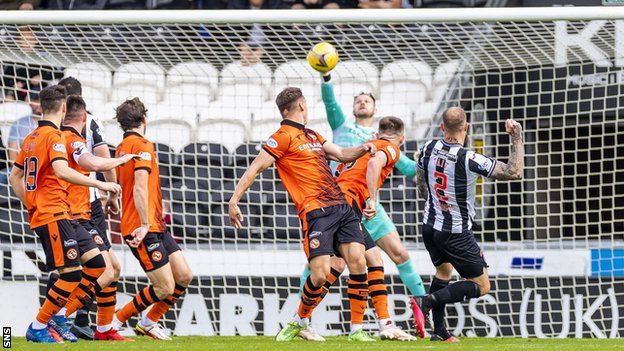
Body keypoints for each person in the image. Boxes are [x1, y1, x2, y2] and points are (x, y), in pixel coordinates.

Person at [228, 87, 376, 342]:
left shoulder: (313, 135)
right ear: (301, 106)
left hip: (341, 207)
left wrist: (365, 148)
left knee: (358, 261)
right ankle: (300, 320)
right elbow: (255, 168)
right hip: (315, 212)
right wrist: (234, 199)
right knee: (319, 274)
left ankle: (357, 331)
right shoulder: (282, 137)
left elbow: (341, 154)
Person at [297, 68, 427, 340]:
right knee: (330, 264)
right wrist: (326, 77)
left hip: (367, 205)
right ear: (354, 108)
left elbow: (410, 168)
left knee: (399, 254)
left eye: (367, 99)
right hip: (342, 200)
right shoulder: (342, 126)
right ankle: (304, 319)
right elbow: (330, 102)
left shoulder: (386, 142)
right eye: (358, 99)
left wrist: (432, 160)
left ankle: (423, 310)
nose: (362, 102)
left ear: (375, 108)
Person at [8, 85, 120, 343]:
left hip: (59, 213)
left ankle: (59, 317)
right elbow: (61, 170)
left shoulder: (31, 137)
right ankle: (39, 325)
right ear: (62, 109)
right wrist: (100, 184)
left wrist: (31, 202)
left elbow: (15, 175)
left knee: (96, 264)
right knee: (69, 273)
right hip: (54, 213)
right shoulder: (54, 136)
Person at [414, 107, 524, 342]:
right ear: (466, 127)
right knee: (482, 285)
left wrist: (435, 204)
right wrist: (516, 136)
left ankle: (439, 332)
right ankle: (427, 300)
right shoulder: (470, 158)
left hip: (430, 226)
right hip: (455, 232)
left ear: (442, 127)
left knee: (443, 272)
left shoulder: (427, 148)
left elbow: (420, 182)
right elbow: (514, 172)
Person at [53, 95, 136, 341]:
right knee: (103, 270)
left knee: (111, 268)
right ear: (83, 115)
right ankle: (58, 318)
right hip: (76, 215)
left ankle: (102, 328)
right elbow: (92, 162)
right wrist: (118, 161)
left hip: (82, 212)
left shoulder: (57, 138)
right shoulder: (71, 140)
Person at [111, 98, 193, 340]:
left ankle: (149, 320)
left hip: (155, 225)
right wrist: (145, 224)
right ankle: (117, 319)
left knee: (184, 275)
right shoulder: (143, 145)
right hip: (142, 227)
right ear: (144, 119)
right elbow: (139, 188)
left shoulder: (121, 147)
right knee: (165, 287)